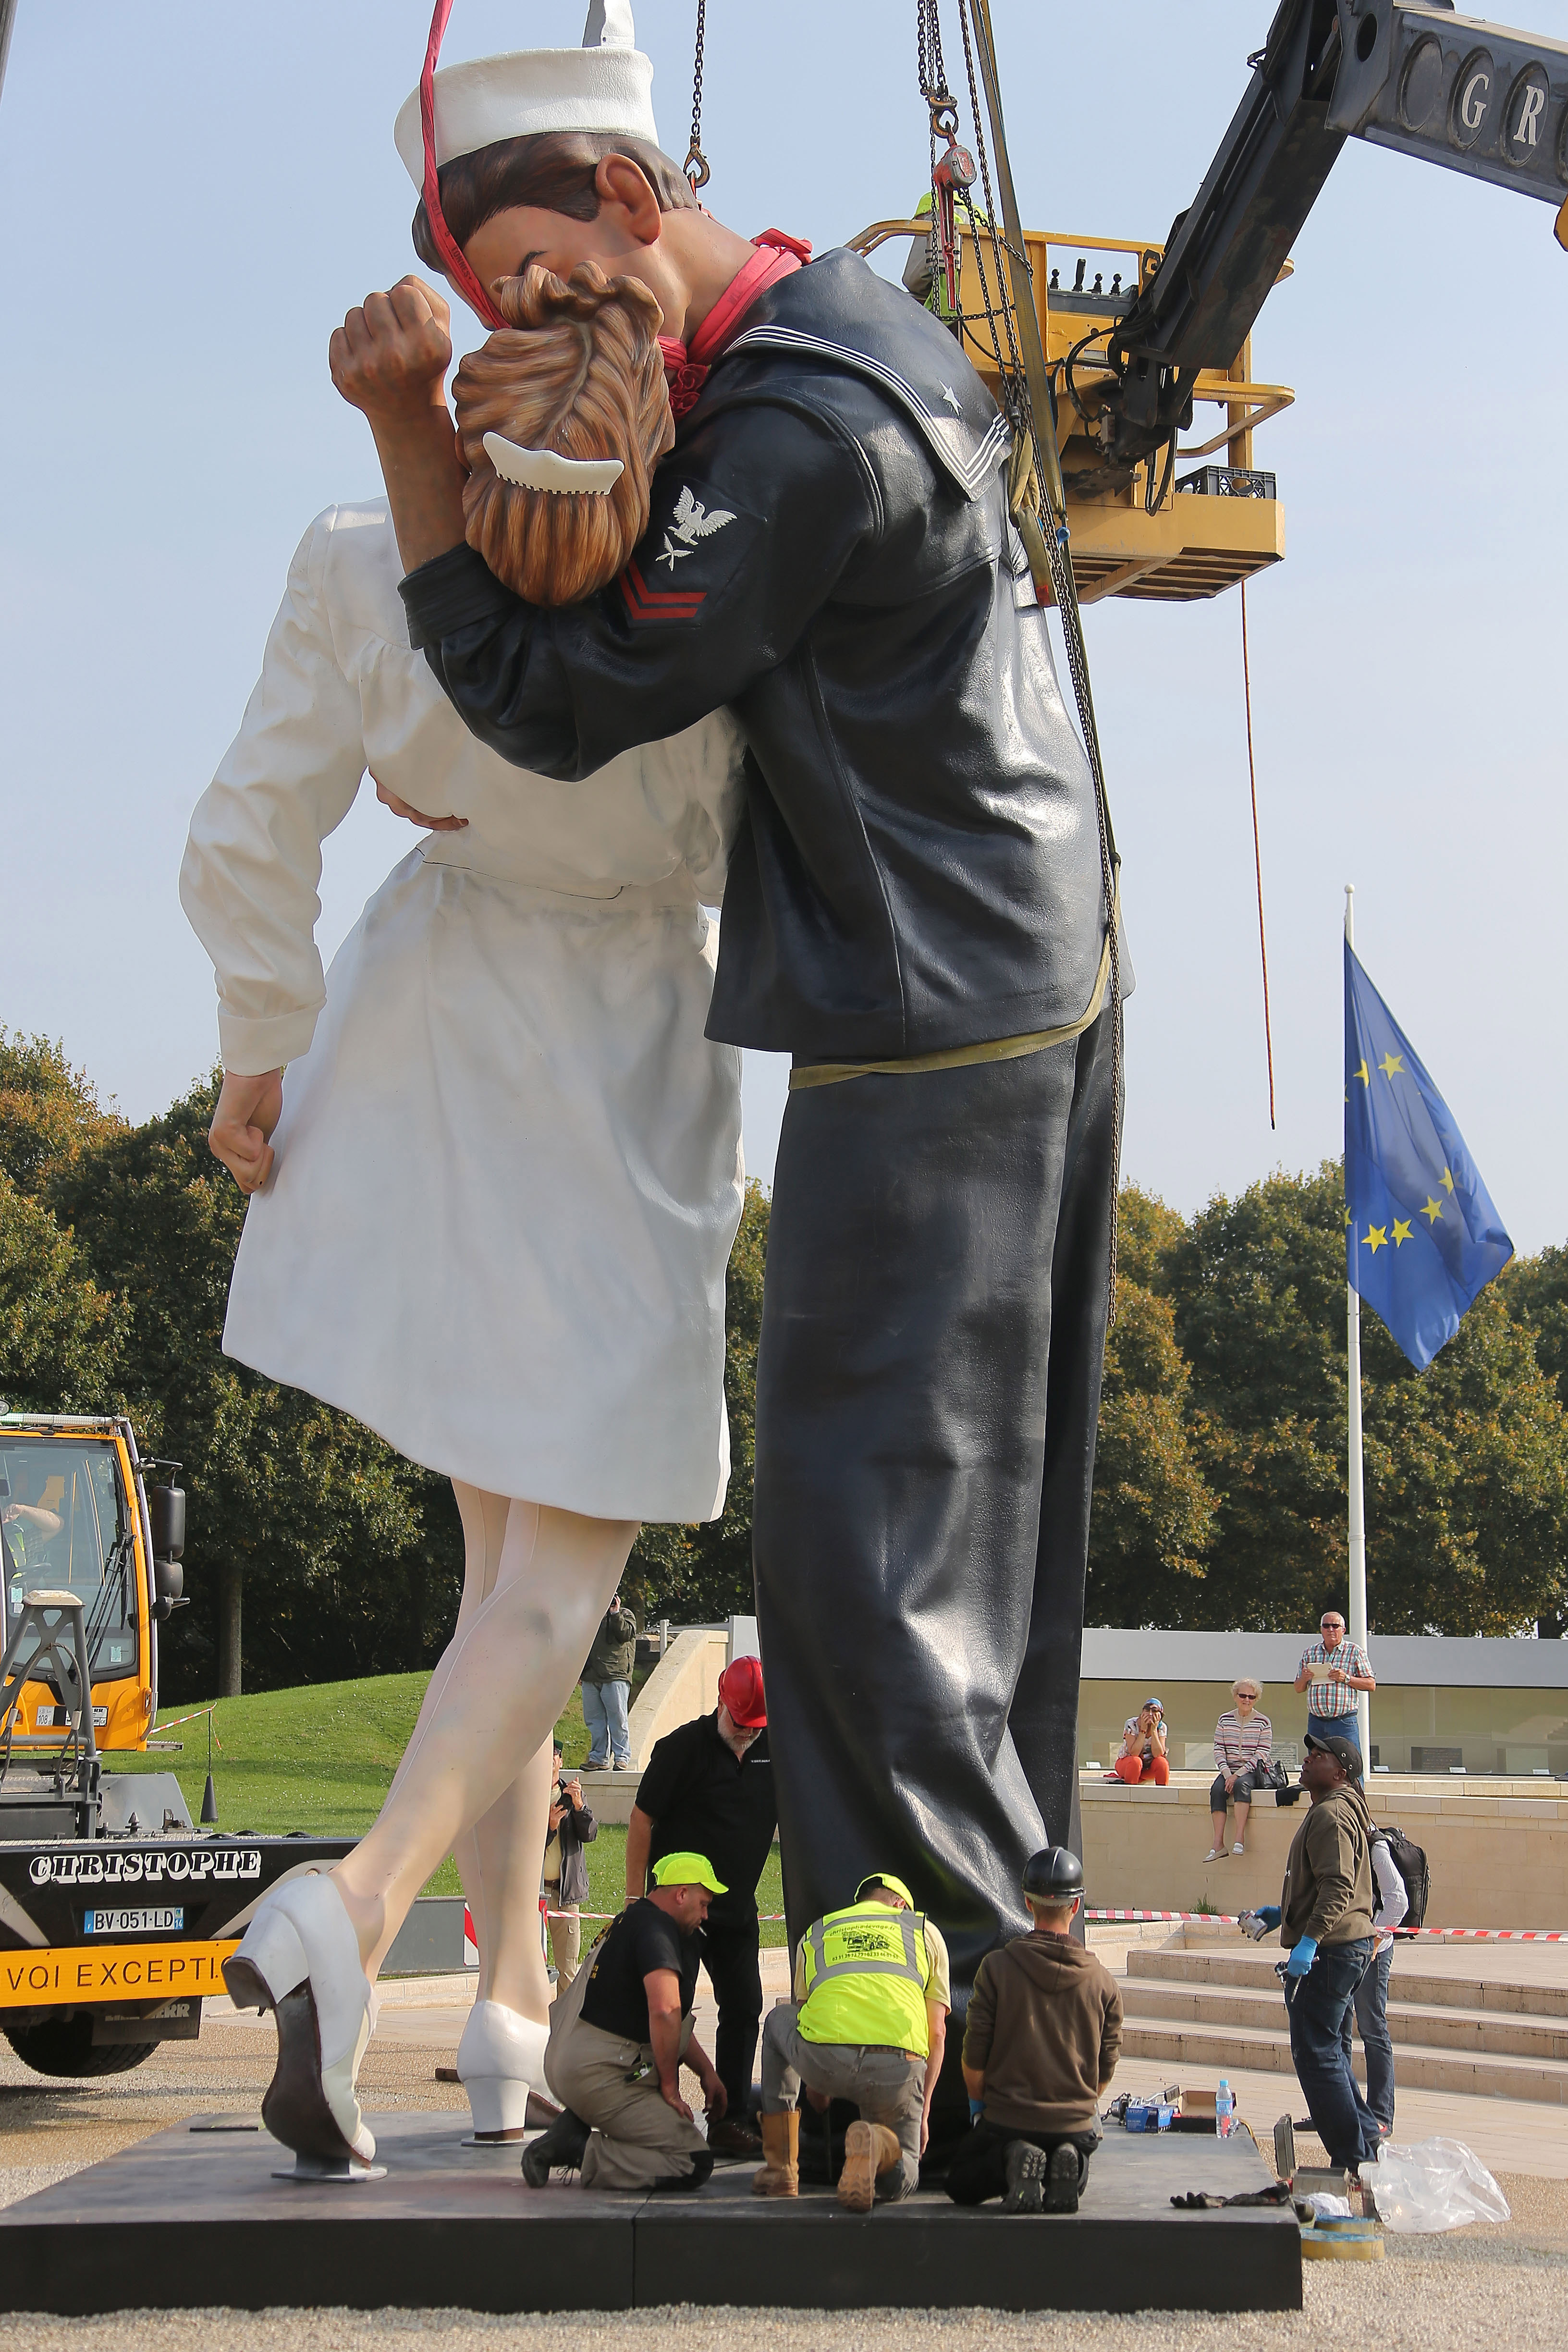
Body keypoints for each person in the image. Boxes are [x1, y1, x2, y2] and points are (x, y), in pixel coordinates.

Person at [334, 0, 1119, 2101]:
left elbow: (569, 698)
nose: (532, 333)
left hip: (933, 1003)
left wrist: (415, 446)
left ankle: (909, 2033)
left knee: (868, 1533)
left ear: (623, 193)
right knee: (958, 1522)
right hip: (992, 961)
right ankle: (976, 2016)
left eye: (532, 285)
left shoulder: (789, 437)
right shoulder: (841, 337)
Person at [195, 246, 748, 2168]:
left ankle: (510, 1989)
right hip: (622, 1066)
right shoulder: (716, 619)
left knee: (495, 1583)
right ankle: (352, 1910)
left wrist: (258, 1045)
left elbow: (250, 820)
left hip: (426, 1038)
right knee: (560, 1581)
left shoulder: (368, 559)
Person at [625, 1656, 774, 2157]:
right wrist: (635, 1903)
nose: (746, 1735)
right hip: (679, 1914)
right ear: (720, 1702)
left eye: (755, 1728)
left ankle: (730, 2120)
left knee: (745, 2008)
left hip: (735, 1910)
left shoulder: (775, 1751)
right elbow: (641, 1820)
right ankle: (652, 2113)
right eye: (740, 1723)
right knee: (669, 2009)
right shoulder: (683, 1749)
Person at [525, 1850, 727, 2193]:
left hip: (573, 2062)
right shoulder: (656, 1930)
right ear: (682, 1894)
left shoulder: (630, 1921)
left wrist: (706, 2072)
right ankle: (579, 2149)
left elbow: (671, 2021)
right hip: (600, 2073)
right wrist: (669, 2086)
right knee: (691, 2159)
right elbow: (665, 2010)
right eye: (703, 1904)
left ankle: (576, 2124)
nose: (706, 1915)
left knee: (656, 2103)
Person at [753, 1872, 950, 2211]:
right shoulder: (923, 1930)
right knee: (905, 2173)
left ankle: (782, 2169)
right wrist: (925, 2109)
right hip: (897, 2069)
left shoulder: (818, 1932)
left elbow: (804, 2015)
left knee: (776, 2021)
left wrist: (818, 2088)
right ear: (900, 1904)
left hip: (826, 2061)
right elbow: (937, 2032)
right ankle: (879, 2146)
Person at [946, 1847, 1121, 2216]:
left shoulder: (996, 1969)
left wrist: (981, 2110)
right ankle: (1070, 2162)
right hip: (1075, 2124)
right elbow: (1105, 2070)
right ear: (1076, 1907)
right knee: (1075, 2175)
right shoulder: (1104, 1983)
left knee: (961, 2180)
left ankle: (1014, 2157)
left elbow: (974, 2060)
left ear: (1027, 1902)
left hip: (1008, 2120)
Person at [1247, 1733, 1381, 2173]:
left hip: (1332, 1951)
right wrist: (1284, 1916)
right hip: (1344, 1947)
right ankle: (1367, 2145)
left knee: (1316, 2055)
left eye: (1319, 1756)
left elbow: (1338, 1886)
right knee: (1331, 2052)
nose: (1307, 1760)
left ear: (1340, 1772)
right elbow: (1333, 1883)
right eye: (1309, 1753)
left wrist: (1309, 1941)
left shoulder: (1331, 1813)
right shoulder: (1336, 1809)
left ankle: (1353, 2161)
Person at [1342, 1825, 1408, 2140]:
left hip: (1372, 1952)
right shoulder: (1338, 1839)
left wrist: (1372, 1940)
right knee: (1338, 2029)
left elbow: (1398, 1901)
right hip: (1343, 1948)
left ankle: (1381, 2114)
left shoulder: (1375, 1847)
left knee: (1372, 2029)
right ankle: (1339, 2108)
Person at [542, 1747, 596, 1989]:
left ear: (561, 1761)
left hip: (566, 1893)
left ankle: (564, 2014)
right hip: (535, 1895)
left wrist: (580, 1807)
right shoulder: (530, 1797)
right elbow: (523, 1846)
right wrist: (551, 1827)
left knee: (568, 1970)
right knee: (531, 1967)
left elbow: (590, 1834)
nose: (550, 1758)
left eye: (554, 1753)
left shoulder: (573, 1796)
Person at [1206, 1679, 1272, 1860]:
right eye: (1243, 1696)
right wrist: (1228, 1774)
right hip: (1229, 1770)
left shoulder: (1263, 1722)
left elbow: (1262, 1753)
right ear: (1235, 1697)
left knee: (1241, 1785)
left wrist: (1237, 1776)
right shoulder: (1224, 1719)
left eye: (1252, 1697)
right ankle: (1218, 1844)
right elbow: (1219, 1749)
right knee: (1217, 1790)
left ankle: (1239, 1839)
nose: (1247, 1700)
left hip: (1252, 1771)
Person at [1295, 1612, 1375, 1753]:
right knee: (1316, 1762)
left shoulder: (1355, 1652)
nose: (1330, 1629)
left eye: (1335, 1626)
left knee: (1350, 1762)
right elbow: (1298, 1688)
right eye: (1326, 1626)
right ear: (1321, 1630)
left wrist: (1346, 1678)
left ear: (1343, 1630)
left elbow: (1371, 1684)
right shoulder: (1310, 1653)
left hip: (1343, 1722)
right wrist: (1304, 1678)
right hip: (1316, 1722)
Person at [581, 1592, 637, 1771]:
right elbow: (580, 1643)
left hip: (616, 1675)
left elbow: (625, 1634)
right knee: (594, 1721)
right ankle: (598, 1758)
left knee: (618, 1719)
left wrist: (615, 1613)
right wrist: (581, 1672)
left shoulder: (626, 1615)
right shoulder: (591, 1616)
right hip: (591, 1675)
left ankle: (622, 1757)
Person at [1114, 1698, 1169, 1786]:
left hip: (1149, 1768)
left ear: (1160, 1715)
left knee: (1162, 1762)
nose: (1150, 1714)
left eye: (1154, 1711)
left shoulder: (1162, 1727)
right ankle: (1130, 1791)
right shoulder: (1131, 1723)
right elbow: (1134, 1753)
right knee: (1136, 1761)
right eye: (1147, 1710)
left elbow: (1158, 1754)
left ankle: (1163, 1792)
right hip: (1128, 1764)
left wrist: (1154, 1730)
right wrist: (1143, 1730)